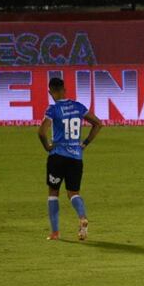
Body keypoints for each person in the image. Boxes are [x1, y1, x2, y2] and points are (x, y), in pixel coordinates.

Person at [37, 77, 103, 241]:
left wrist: (47, 146)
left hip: (57, 157)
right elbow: (98, 124)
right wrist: (85, 143)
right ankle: (82, 218)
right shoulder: (78, 107)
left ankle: (55, 233)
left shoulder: (53, 109)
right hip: (76, 157)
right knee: (73, 193)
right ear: (65, 89)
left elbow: (41, 132)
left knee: (53, 192)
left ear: (50, 91)